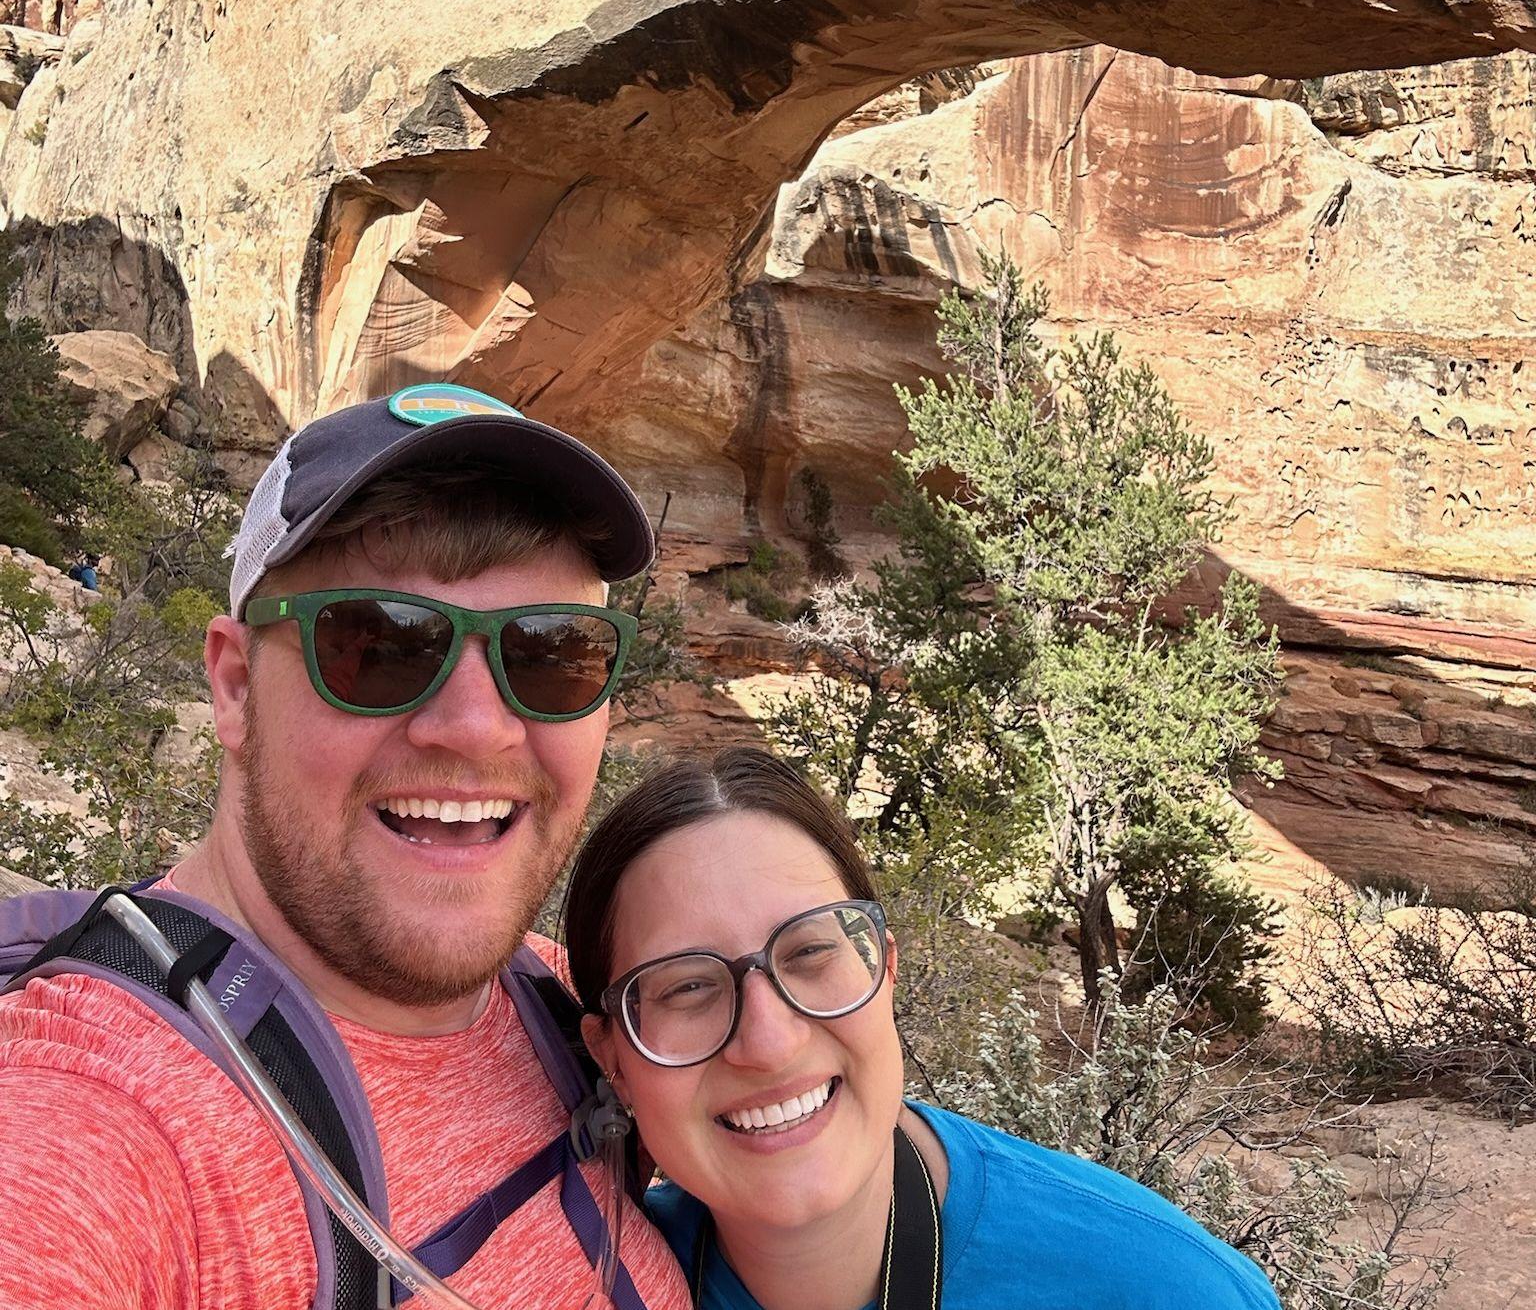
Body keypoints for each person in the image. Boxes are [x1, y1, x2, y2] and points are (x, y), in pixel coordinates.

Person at [0, 382, 691, 1310]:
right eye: (381, 645)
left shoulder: (564, 1004)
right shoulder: (100, 1119)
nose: (476, 728)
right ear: (236, 686)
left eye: (550, 652)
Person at [564, 746, 1284, 1310]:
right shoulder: (586, 1278)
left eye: (812, 951)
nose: (770, 1041)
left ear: (886, 970)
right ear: (613, 1060)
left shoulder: (1157, 1288)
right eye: (688, 987)